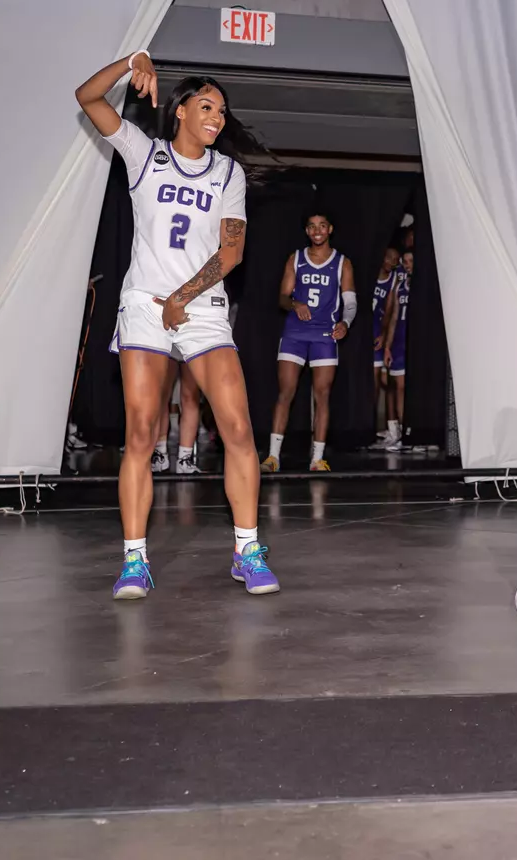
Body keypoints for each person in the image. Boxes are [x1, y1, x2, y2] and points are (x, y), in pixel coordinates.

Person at [74, 53, 274, 600]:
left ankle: (247, 549)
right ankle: (135, 561)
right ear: (180, 109)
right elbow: (87, 98)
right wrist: (126, 63)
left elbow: (231, 252)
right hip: (144, 307)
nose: (217, 116)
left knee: (238, 430)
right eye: (206, 105)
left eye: (223, 110)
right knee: (141, 433)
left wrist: (185, 297)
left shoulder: (228, 172)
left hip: (201, 310)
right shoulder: (145, 154)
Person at [265, 212, 354, 473]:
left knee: (322, 396)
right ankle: (273, 457)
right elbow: (282, 297)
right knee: (285, 393)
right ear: (307, 231)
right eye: (312, 227)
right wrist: (295, 303)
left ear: (330, 229)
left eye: (322, 226)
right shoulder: (296, 258)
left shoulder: (342, 263)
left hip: (325, 336)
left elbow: (350, 302)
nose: (317, 231)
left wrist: (345, 323)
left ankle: (317, 459)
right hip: (295, 333)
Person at [377, 246, 412, 451]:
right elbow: (392, 319)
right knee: (397, 387)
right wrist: (388, 346)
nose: (407, 265)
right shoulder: (399, 286)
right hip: (398, 343)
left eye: (410, 261)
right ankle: (399, 431)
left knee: (403, 388)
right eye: (404, 262)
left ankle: (408, 431)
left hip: (413, 342)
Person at [369, 244, 400, 446]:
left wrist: (382, 333)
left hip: (378, 335)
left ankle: (390, 427)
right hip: (364, 331)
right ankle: (370, 427)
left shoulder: (393, 280)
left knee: (383, 383)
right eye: (389, 257)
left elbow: (389, 312)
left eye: (395, 260)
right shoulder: (369, 272)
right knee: (373, 385)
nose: (392, 262)